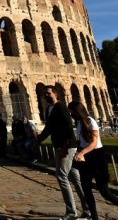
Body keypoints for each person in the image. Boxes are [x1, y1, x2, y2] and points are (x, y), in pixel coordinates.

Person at [37, 86, 90, 220]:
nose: (46, 96)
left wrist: (66, 147)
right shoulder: (49, 109)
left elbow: (68, 127)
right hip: (60, 146)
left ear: (55, 94)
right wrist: (38, 140)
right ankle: (88, 209)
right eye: (45, 94)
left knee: (61, 176)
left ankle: (72, 212)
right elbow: (48, 128)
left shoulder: (61, 107)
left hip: (66, 146)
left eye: (49, 93)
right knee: (76, 179)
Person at [68, 101, 118, 220]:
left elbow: (94, 142)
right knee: (86, 188)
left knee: (105, 192)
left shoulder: (91, 121)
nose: (70, 114)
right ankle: (94, 217)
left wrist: (82, 152)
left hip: (96, 156)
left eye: (71, 111)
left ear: (77, 111)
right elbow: (82, 141)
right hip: (86, 157)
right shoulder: (79, 122)